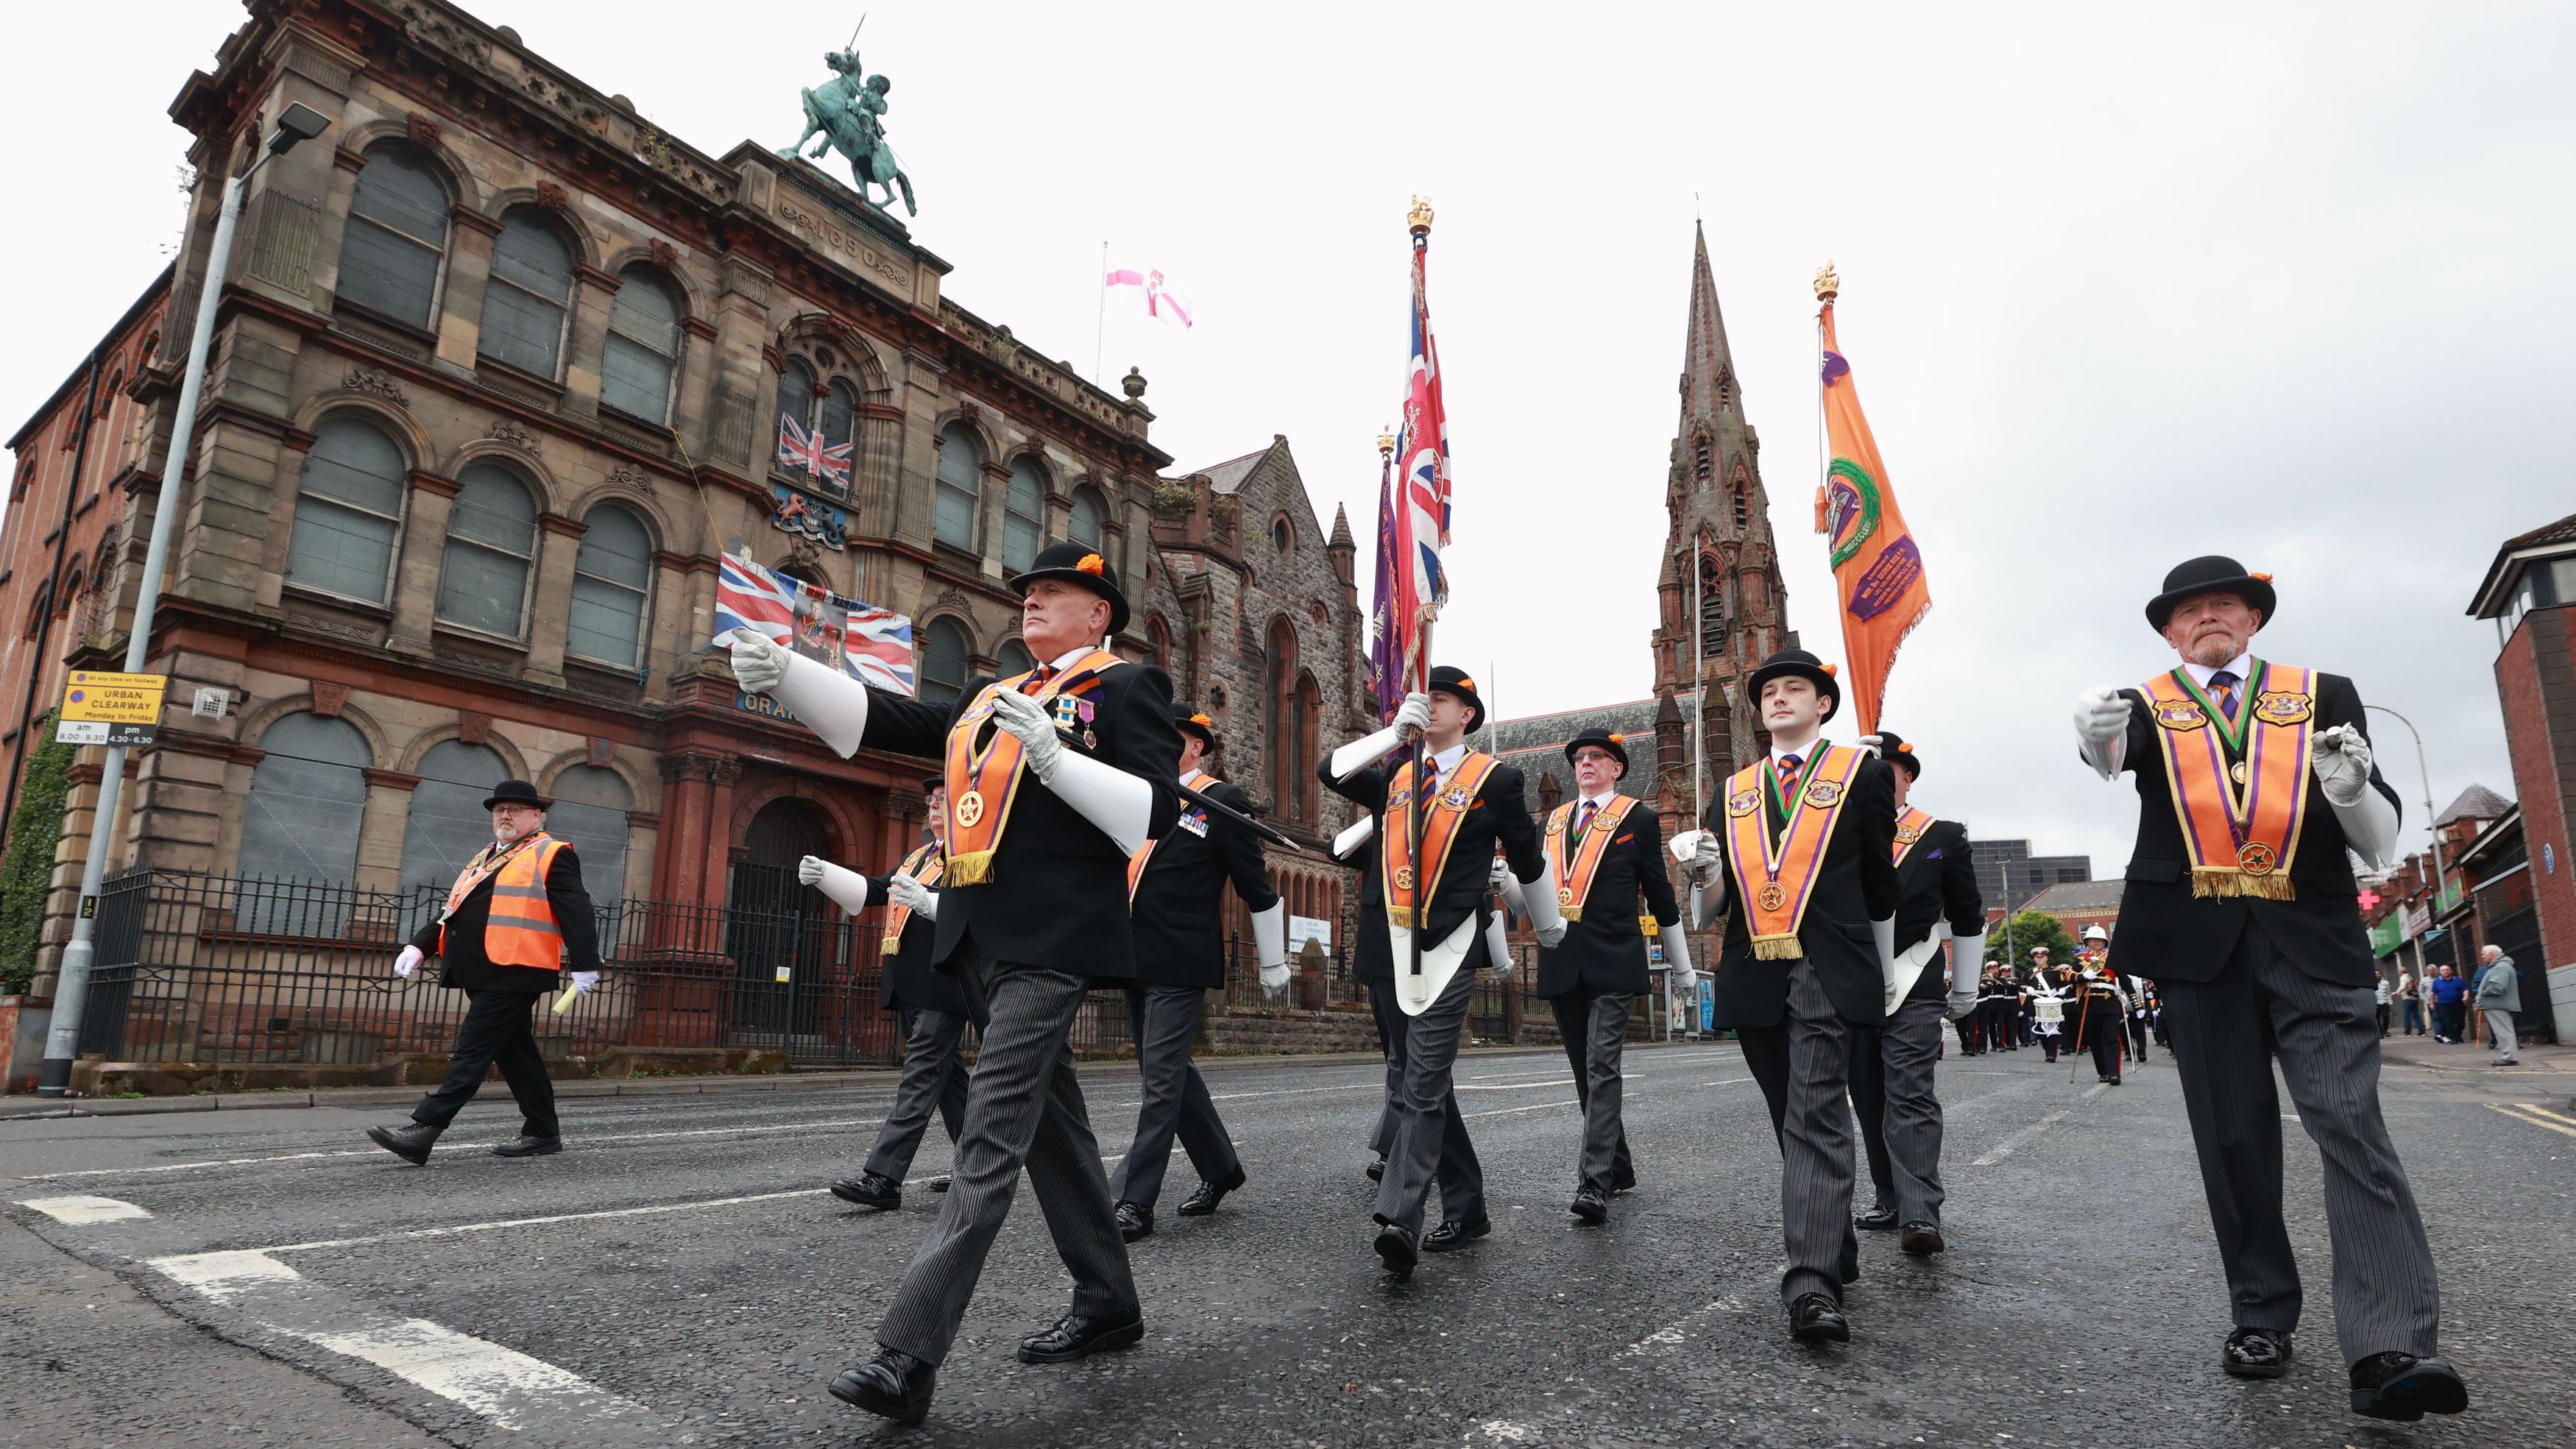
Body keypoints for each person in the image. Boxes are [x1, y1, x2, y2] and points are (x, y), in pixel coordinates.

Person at [733, 540, 1181, 1426]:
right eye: (1029, 592)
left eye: (1054, 594)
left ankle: (906, 1356)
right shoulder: (991, 698)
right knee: (1051, 1131)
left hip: (1052, 940)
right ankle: (1108, 1301)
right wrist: (788, 672)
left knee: (988, 1142)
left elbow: (1154, 811)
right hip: (975, 937)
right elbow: (891, 723)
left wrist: (1057, 758)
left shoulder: (1125, 689)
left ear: (1099, 615)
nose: (1032, 604)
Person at [2074, 555, 2463, 1420]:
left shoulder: (2324, 691)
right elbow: (2107, 760)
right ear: (2168, 632)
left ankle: (2388, 1343)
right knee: (2233, 1137)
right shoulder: (2146, 704)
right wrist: (2090, 731)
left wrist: (2352, 790)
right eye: (2189, 611)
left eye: (2225, 604)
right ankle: (2259, 1315)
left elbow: (2379, 836)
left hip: (2310, 934)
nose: (2207, 617)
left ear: (2252, 619)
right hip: (2196, 943)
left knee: (2350, 1124)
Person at [1682, 648, 1900, 1344]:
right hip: (1754, 970)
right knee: (1791, 1116)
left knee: (1814, 1116)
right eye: (1769, 690)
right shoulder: (1734, 789)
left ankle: (1811, 1283)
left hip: (1827, 965)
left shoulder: (1859, 774)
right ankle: (1833, 1239)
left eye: (1794, 688)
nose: (1779, 698)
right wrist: (1701, 873)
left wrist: (1887, 970)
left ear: (1823, 704)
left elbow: (1879, 884)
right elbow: (1711, 910)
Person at [1326, 666, 1561, 1275]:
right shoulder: (1398, 776)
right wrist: (1388, 736)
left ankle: (1402, 1215)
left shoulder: (1497, 780)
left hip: (1452, 944)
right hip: (1392, 948)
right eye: (1421, 699)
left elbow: (1530, 859)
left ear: (1468, 715)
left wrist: (1551, 928)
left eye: (1442, 699)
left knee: (1422, 1080)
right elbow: (1332, 771)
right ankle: (1469, 1203)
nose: (1428, 706)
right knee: (1422, 1081)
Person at [1110, 706, 1289, 1241]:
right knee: (1171, 1076)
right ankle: (1221, 1168)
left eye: (1172, 739)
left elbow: (1256, 884)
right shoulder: (1142, 796)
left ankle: (1132, 1201)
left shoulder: (1219, 800)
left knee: (1159, 1084)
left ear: (1195, 747)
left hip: (1182, 959)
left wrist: (1274, 958)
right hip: (1135, 954)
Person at [1504, 726, 1691, 1225]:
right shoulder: (1554, 821)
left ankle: (1594, 1181)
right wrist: (1508, 887)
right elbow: (1533, 895)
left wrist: (1683, 964)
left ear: (1617, 768)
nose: (1586, 763)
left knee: (1603, 1066)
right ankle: (1620, 1165)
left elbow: (1660, 892)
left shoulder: (1640, 818)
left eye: (1597, 756)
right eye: (1580, 757)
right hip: (1563, 958)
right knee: (1586, 1073)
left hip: (1614, 959)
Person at [367, 779, 603, 1165]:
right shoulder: (486, 856)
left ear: (537, 815)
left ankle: (424, 1129)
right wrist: (420, 944)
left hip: (516, 968)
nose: (505, 815)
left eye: (515, 809)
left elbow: (577, 910)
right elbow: (453, 910)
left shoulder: (552, 853)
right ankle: (543, 1131)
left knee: (471, 1050)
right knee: (516, 1054)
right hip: (483, 969)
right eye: (499, 810)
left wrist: (585, 963)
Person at [1842, 730, 1986, 1255]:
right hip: (1853, 981)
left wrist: (1966, 986)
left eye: (1884, 770)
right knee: (1867, 1094)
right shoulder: (1836, 832)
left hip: (1916, 980)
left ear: (1906, 777)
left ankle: (1921, 1212)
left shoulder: (1942, 834)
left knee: (1910, 1095)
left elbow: (1968, 913)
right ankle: (1889, 1197)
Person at [805, 776, 969, 1211]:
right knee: (949, 1083)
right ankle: (977, 1168)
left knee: (918, 1081)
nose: (934, 807)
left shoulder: (969, 856)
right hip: (911, 984)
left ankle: (883, 1178)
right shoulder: (919, 856)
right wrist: (828, 874)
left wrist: (931, 900)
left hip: (943, 985)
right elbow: (876, 890)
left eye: (943, 800)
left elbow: (975, 914)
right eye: (931, 801)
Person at [2072, 955, 2131, 1085]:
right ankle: (2103, 1072)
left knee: (2111, 1039)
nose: (2096, 942)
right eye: (2093, 940)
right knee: (2095, 1042)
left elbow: (2125, 981)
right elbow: (2070, 977)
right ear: (2087, 941)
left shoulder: (2112, 959)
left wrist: (2137, 1004)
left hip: (2109, 1005)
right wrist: (2083, 976)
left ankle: (2114, 1073)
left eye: (2099, 940)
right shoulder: (2080, 959)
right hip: (2088, 1006)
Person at [2474, 946, 2519, 1066]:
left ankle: (2510, 1057)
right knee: (2503, 1031)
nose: (2482, 956)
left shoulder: (2501, 967)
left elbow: (2498, 987)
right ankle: (2509, 1056)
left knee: (2503, 1031)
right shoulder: (2499, 966)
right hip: (2497, 1004)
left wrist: (2482, 993)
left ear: (2491, 954)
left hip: (2498, 1004)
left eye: (2484, 954)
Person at [2027, 949, 2067, 1063]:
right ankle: (2047, 1049)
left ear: (2046, 958)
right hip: (2037, 1002)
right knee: (2040, 1029)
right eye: (2037, 957)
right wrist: (2027, 988)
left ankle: (2052, 1054)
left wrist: (2063, 990)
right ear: (2034, 959)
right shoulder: (2030, 973)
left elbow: (2065, 984)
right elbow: (2021, 985)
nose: (2040, 959)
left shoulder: (2055, 971)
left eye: (2042, 957)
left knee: (2053, 1028)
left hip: (2052, 1001)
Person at [2427, 965, 2466, 1044]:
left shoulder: (2458, 980)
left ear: (2451, 971)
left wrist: (2465, 997)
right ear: (2440, 972)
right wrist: (2432, 1003)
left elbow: (2465, 989)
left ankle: (2458, 1035)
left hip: (2458, 1003)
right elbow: (2433, 994)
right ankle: (2454, 1038)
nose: (2446, 971)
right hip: (2444, 1005)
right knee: (2449, 1022)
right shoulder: (2437, 982)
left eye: (2447, 970)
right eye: (2443, 970)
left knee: (2461, 1023)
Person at [2396, 968, 2422, 1035]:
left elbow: (2403, 986)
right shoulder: (2410, 977)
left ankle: (2407, 1032)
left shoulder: (2403, 977)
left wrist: (2397, 992)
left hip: (2407, 998)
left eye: (2398, 971)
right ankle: (2422, 1031)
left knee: (2407, 1016)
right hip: (2415, 998)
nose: (2398, 972)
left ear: (2401, 972)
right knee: (2416, 1015)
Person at [2374, 973, 2393, 1038]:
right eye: (2375, 974)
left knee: (2386, 1016)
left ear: (2381, 975)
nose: (2377, 975)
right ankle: (2380, 1032)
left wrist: (2390, 1003)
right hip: (2376, 1004)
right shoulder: (2372, 983)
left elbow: (2388, 994)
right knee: (2377, 1018)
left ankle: (2385, 1030)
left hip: (2385, 1003)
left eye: (2378, 974)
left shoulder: (2386, 983)